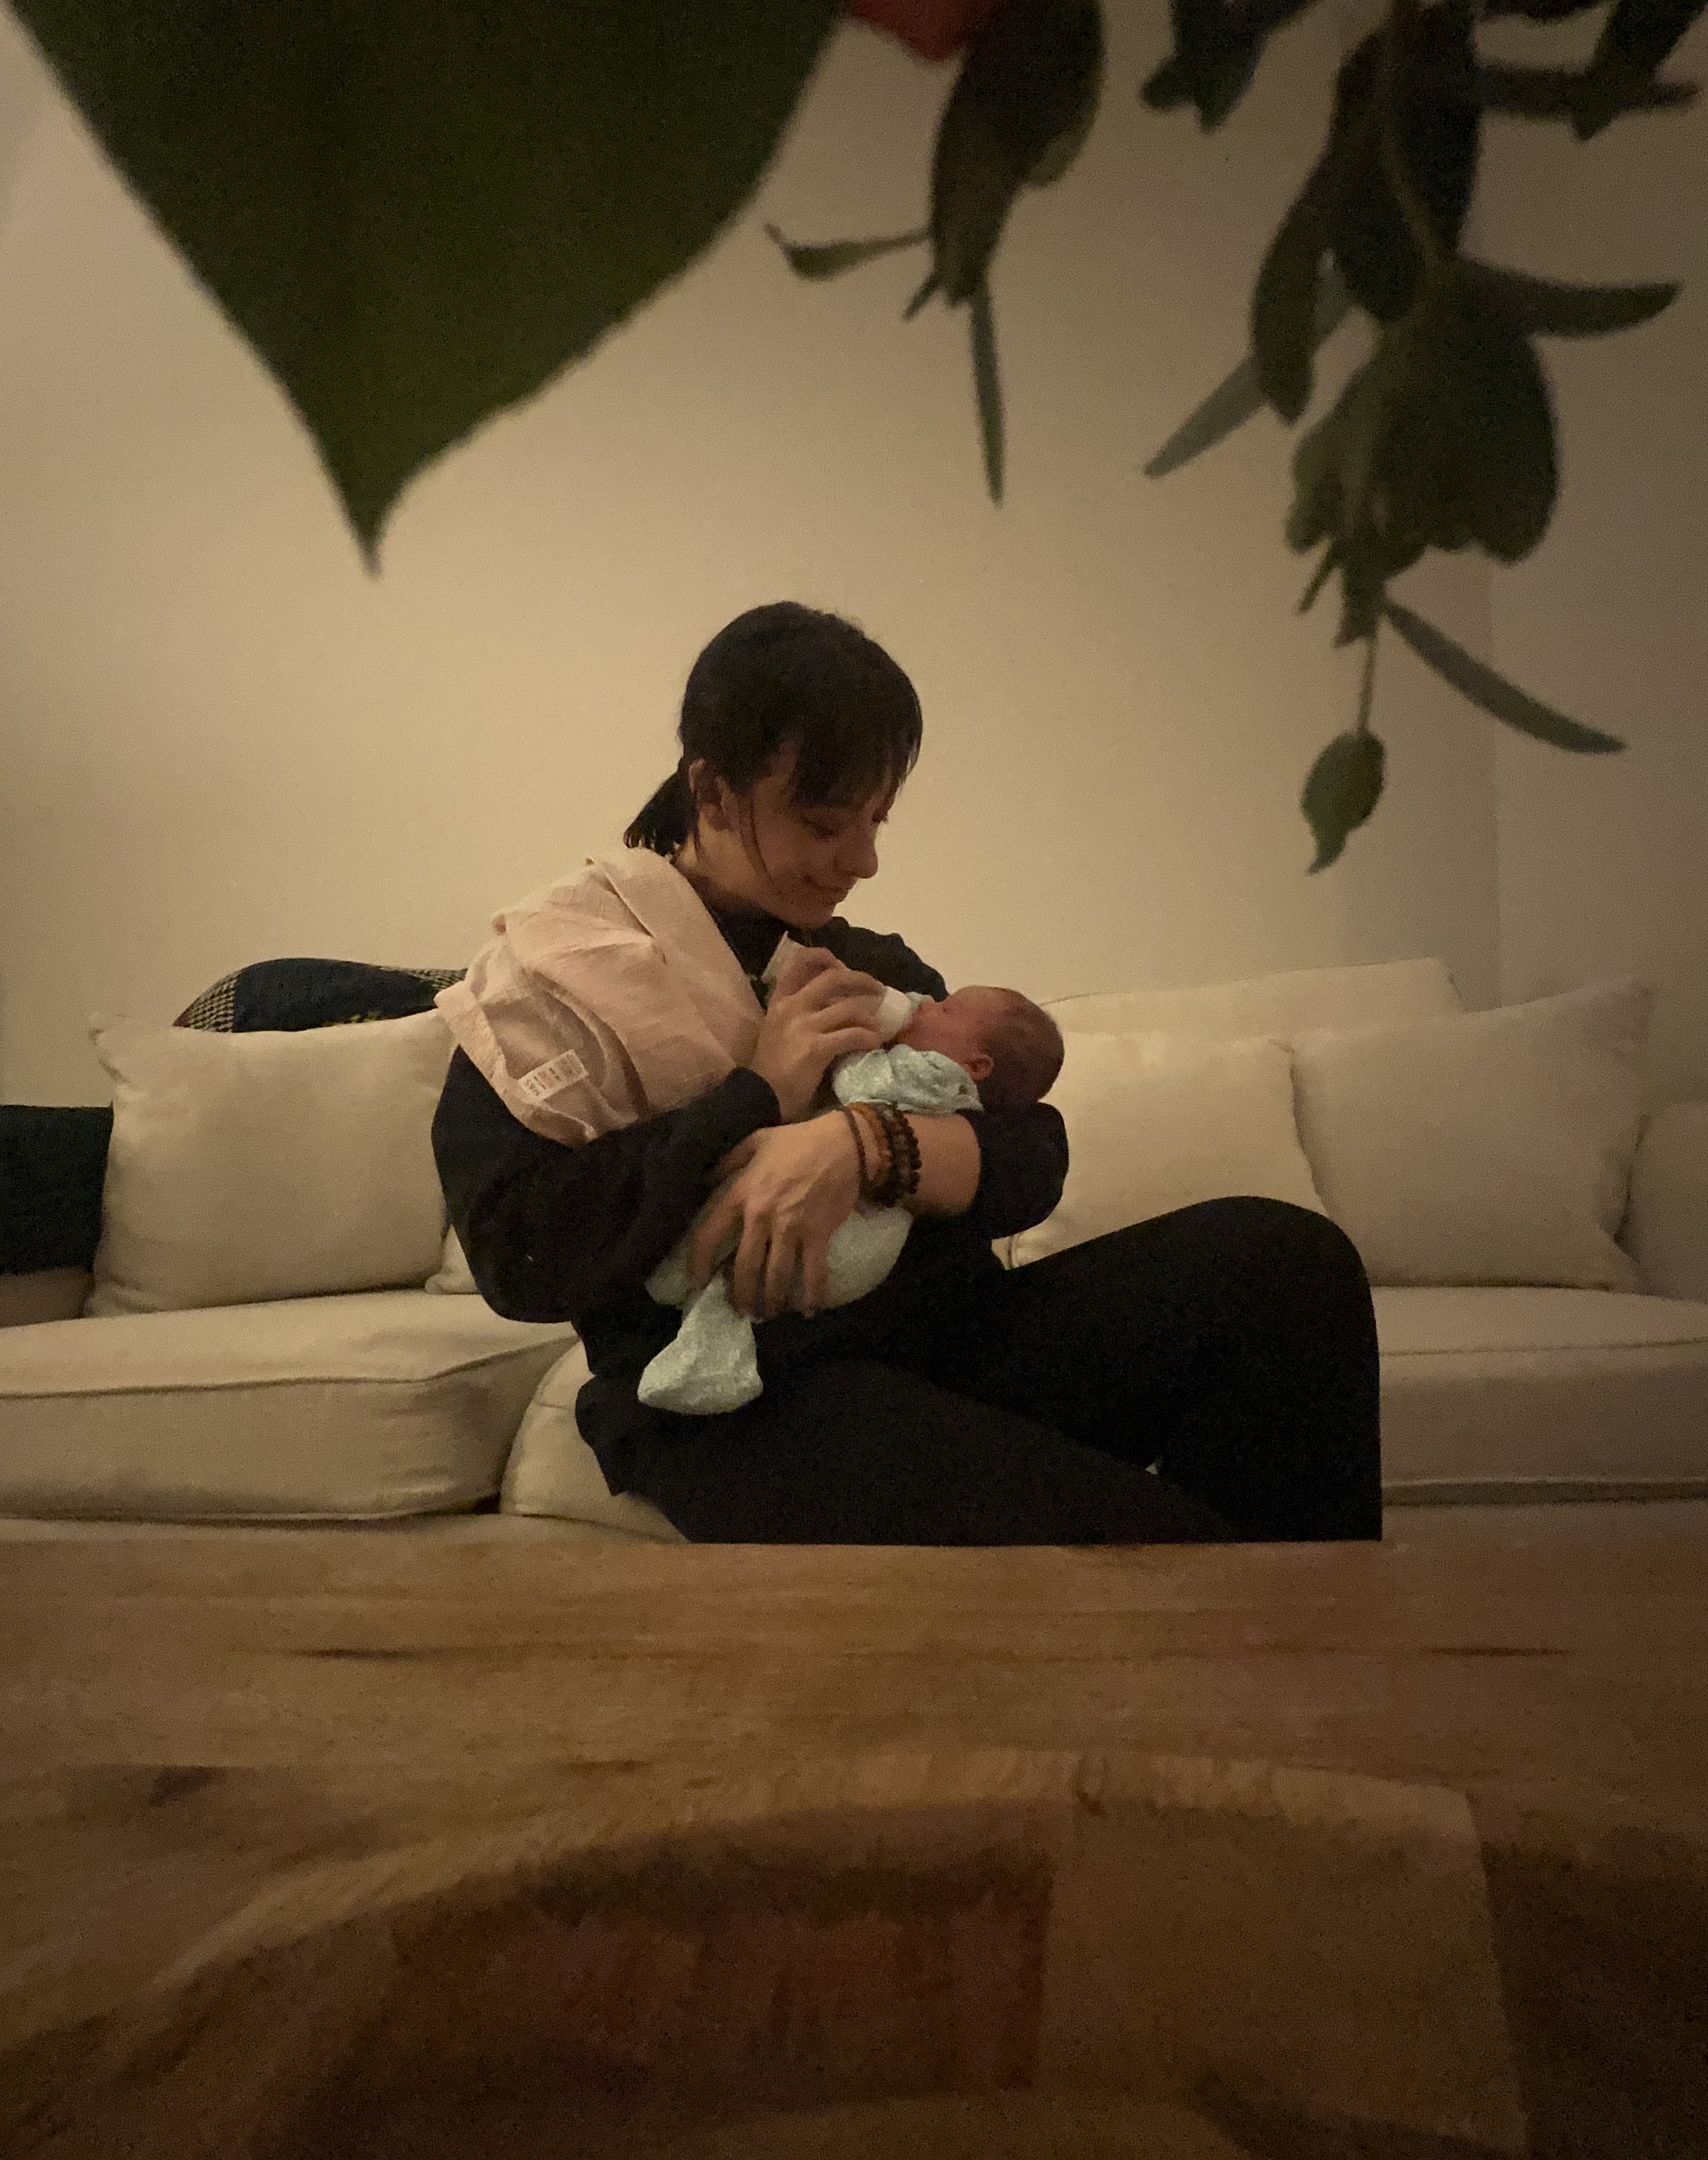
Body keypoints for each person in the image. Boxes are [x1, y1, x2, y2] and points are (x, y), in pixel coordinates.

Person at [432, 601, 1383, 1547]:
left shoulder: (862, 963)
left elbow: (1030, 1153)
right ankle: (1266, 1623)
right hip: (741, 1391)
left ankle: (1306, 1625)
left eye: (877, 820)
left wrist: (863, 1144)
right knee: (1154, 1549)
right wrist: (756, 1095)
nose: (865, 860)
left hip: (952, 1337)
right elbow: (523, 1260)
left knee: (1286, 1264)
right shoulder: (559, 980)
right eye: (825, 823)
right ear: (712, 791)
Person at [636, 980, 1066, 1415]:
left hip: (860, 1248)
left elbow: (1038, 1154)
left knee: (746, 1264)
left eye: (946, 1009)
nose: (924, 1002)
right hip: (848, 1330)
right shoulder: (937, 1069)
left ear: (976, 1066)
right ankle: (703, 1343)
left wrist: (849, 1070)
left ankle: (703, 1337)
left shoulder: (931, 1074)